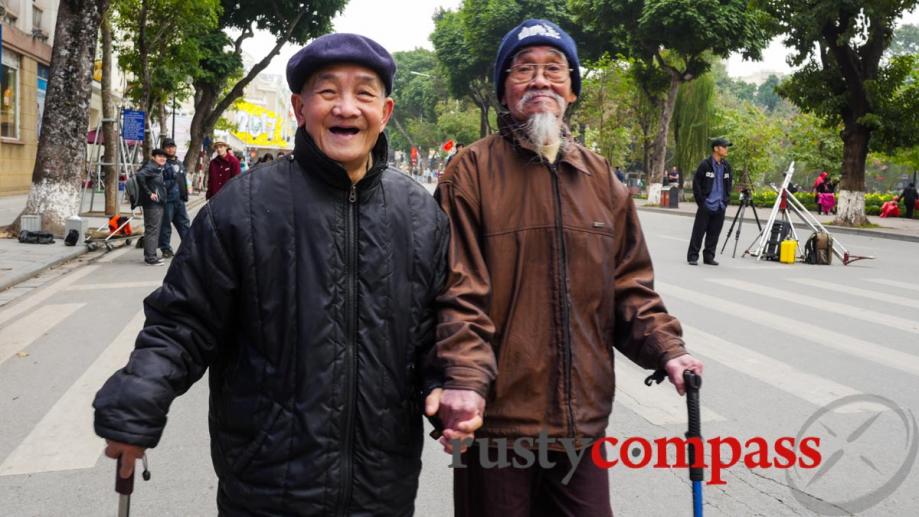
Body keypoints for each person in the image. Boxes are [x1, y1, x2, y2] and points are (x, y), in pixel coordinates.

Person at [93, 33, 450, 515]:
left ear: (384, 112)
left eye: (363, 93)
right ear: (300, 109)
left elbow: (438, 328)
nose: (346, 107)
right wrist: (138, 399)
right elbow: (182, 324)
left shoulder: (419, 215)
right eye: (328, 92)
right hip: (265, 485)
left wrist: (451, 385)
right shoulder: (240, 209)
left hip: (383, 486)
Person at [428, 19, 703, 517]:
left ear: (572, 90)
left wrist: (668, 350)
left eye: (554, 69)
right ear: (503, 90)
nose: (540, 81)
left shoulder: (601, 179)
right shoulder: (468, 172)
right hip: (496, 422)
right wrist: (465, 381)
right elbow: (456, 291)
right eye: (524, 69)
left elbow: (629, 288)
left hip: (582, 421)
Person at [687, 137, 733, 266]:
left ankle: (709, 256)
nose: (726, 149)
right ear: (716, 148)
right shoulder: (705, 165)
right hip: (706, 205)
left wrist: (726, 200)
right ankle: (693, 256)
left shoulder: (726, 166)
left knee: (714, 233)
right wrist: (701, 202)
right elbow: (696, 184)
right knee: (698, 232)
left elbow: (729, 185)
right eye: (724, 146)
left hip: (720, 205)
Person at [158, 138, 190, 258]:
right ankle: (166, 248)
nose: (171, 149)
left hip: (180, 200)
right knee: (165, 226)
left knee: (184, 224)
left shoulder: (179, 163)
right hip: (168, 200)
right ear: (164, 149)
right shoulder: (162, 163)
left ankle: (188, 247)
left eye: (173, 146)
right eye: (168, 147)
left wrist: (185, 194)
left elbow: (183, 180)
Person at [137, 148, 168, 265]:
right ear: (153, 157)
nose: (163, 158)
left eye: (164, 157)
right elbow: (140, 175)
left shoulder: (156, 167)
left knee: (154, 230)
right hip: (152, 204)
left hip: (156, 203)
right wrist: (149, 193)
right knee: (152, 230)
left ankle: (152, 255)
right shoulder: (151, 167)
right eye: (160, 156)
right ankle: (150, 258)